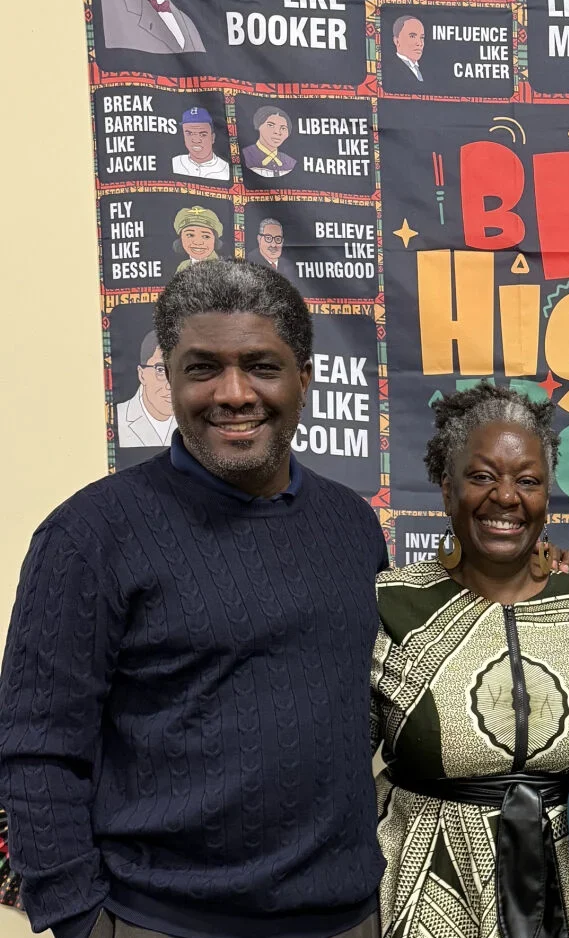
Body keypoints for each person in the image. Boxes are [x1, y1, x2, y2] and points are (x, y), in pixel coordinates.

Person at [0, 261, 390, 938]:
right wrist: (78, 919)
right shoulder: (89, 535)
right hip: (161, 920)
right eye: (202, 367)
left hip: (346, 919)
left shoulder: (352, 526)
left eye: (261, 366)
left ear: (305, 377)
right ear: (169, 380)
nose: (232, 393)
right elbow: (36, 749)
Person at [372, 384, 569, 938]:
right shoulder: (391, 602)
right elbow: (335, 768)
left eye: (528, 480)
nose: (506, 496)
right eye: (482, 476)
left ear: (547, 496)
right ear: (447, 491)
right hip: (428, 896)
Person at [115, 329, 176, 447]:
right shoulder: (118, 418)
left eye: (178, 371)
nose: (170, 386)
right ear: (142, 375)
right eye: (161, 370)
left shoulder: (197, 420)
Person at [171, 107, 230, 181]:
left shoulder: (226, 168)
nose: (196, 140)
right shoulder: (175, 162)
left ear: (212, 138)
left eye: (203, 134)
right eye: (189, 133)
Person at [242, 106, 297, 179]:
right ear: (258, 126)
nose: (277, 132)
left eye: (283, 128)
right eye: (270, 125)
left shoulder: (290, 162)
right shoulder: (245, 155)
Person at [171, 204, 224, 272]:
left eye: (206, 236)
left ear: (215, 240)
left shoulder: (221, 268)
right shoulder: (183, 266)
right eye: (190, 235)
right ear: (181, 239)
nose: (198, 242)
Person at [392, 15, 426, 82]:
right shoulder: (391, 69)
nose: (420, 43)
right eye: (412, 36)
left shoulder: (424, 70)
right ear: (397, 41)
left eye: (422, 37)